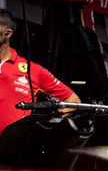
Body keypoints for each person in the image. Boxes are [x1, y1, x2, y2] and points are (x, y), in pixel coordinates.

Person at [0, 8, 81, 136]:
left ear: (7, 34)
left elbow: (73, 101)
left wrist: (47, 127)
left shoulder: (32, 70)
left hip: (12, 150)